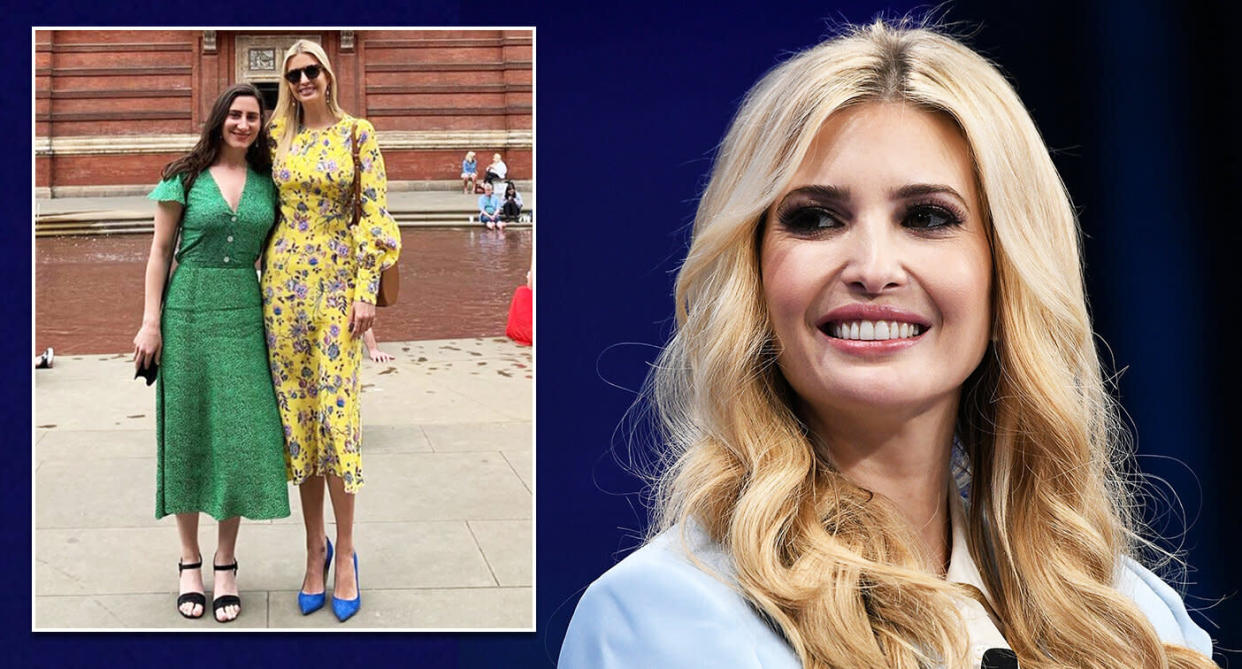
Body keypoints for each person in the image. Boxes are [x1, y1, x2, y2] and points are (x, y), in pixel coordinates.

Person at [560, 21, 1213, 669]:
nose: (873, 267)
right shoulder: (657, 623)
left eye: (927, 217)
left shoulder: (1133, 621)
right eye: (816, 218)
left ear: (1005, 274)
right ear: (754, 277)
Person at [132, 83, 290, 624]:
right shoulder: (184, 175)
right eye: (235, 115)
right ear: (219, 118)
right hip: (187, 312)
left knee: (239, 437)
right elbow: (158, 253)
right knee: (189, 434)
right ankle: (190, 562)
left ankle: (226, 562)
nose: (243, 124)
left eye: (253, 116)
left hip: (244, 315)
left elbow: (287, 253)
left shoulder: (270, 182)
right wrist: (150, 324)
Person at [262, 39, 401, 623]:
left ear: (328, 73)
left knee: (336, 417)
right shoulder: (274, 136)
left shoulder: (357, 134)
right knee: (300, 422)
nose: (302, 81)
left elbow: (375, 214)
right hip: (281, 288)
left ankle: (345, 552)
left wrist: (365, 290)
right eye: (293, 75)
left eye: (310, 71)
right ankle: (312, 551)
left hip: (338, 288)